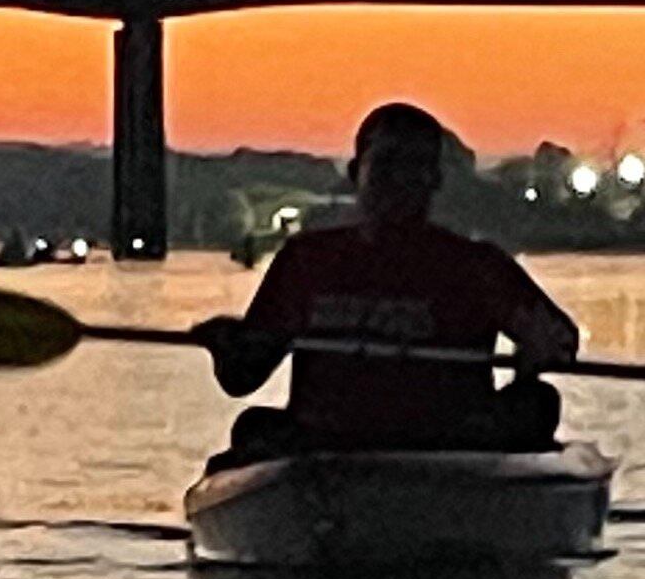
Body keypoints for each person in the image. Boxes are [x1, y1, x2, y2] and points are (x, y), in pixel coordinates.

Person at [192, 103, 580, 456]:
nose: (400, 181)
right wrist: (227, 344)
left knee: (537, 402)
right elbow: (243, 377)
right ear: (356, 173)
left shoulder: (476, 266)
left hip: (450, 442)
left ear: (434, 180)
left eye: (416, 166)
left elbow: (562, 338)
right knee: (252, 427)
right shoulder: (305, 260)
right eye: (388, 164)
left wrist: (536, 348)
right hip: (327, 441)